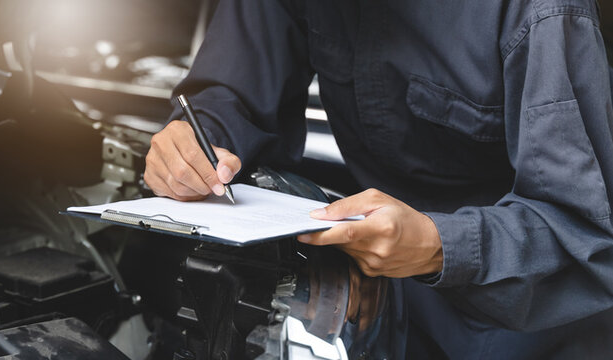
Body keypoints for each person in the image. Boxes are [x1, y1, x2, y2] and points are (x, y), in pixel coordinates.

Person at [143, 0, 613, 358]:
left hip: (524, 323)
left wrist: (438, 244)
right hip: (374, 297)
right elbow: (231, 90)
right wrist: (193, 140)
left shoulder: (540, 12)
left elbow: (585, 232)